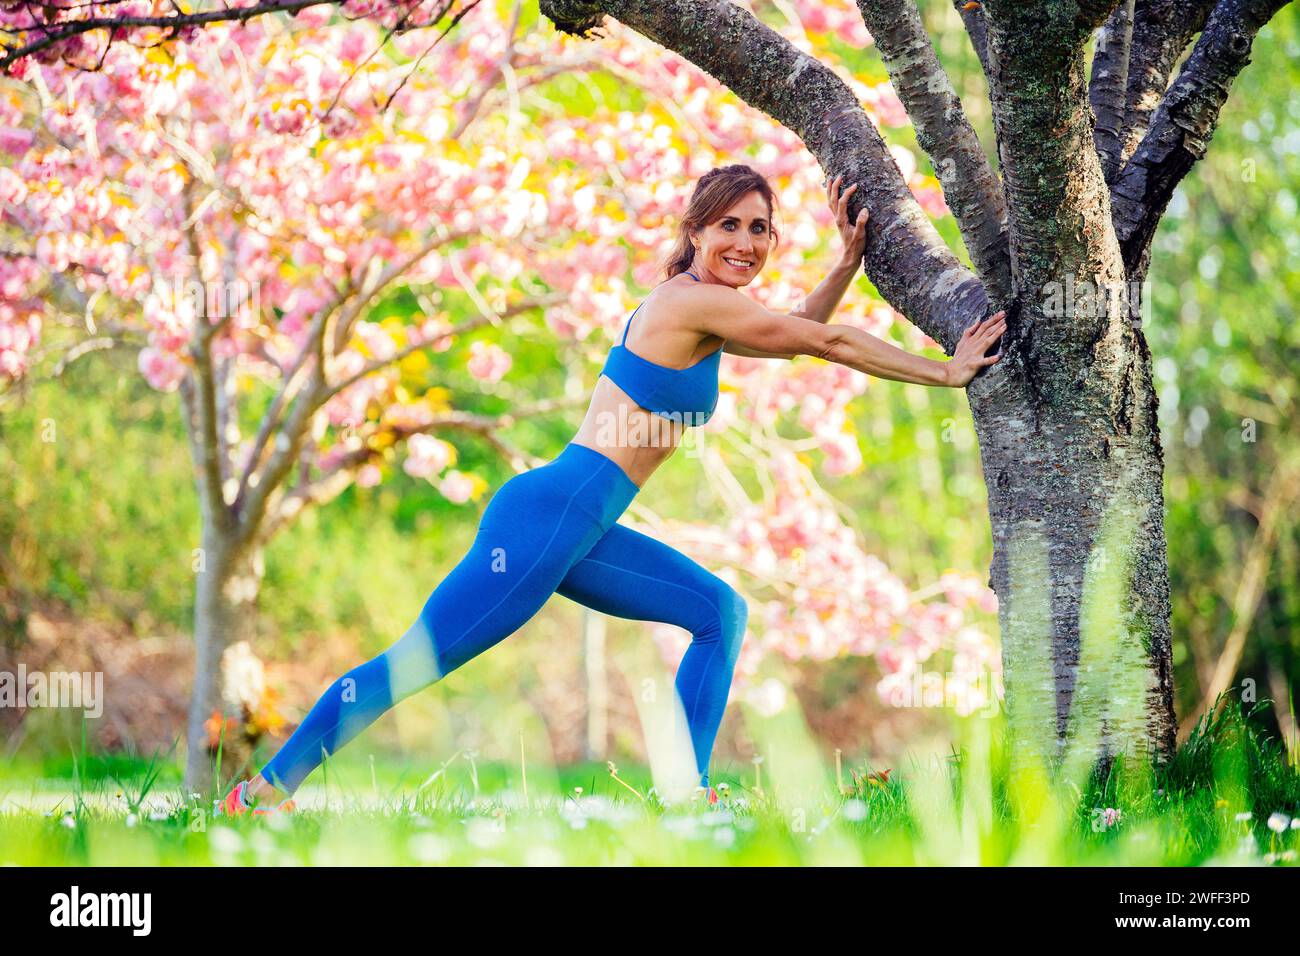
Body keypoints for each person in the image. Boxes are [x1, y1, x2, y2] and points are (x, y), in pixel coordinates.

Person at [219, 164, 1006, 815]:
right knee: (416, 662)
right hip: (549, 516)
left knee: (717, 612)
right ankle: (260, 792)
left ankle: (684, 797)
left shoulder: (709, 312)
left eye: (759, 228)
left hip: (580, 524)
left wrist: (843, 264)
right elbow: (823, 339)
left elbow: (795, 336)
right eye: (728, 225)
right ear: (695, 231)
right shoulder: (691, 302)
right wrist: (945, 370)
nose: (744, 241)